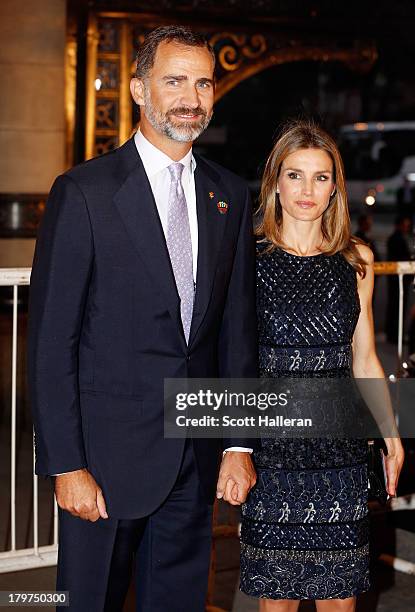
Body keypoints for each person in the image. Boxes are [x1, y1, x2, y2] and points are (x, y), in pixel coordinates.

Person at [28, 26, 257, 612]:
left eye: (203, 83)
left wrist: (236, 444)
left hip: (194, 453)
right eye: (174, 80)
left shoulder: (228, 195)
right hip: (103, 462)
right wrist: (66, 463)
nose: (191, 97)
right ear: (138, 88)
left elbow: (234, 332)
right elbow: (52, 341)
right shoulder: (84, 192)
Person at [239, 120, 404, 611]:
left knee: (340, 601)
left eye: (321, 177)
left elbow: (365, 357)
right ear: (275, 182)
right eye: (295, 175)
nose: (307, 190)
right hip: (272, 452)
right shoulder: (246, 259)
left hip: (341, 453)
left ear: (335, 188)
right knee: (278, 602)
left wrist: (391, 435)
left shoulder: (357, 260)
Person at [385, 214, 412, 343]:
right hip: (397, 279)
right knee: (397, 307)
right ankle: (394, 335)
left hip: (398, 279)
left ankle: (394, 334)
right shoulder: (396, 239)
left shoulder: (399, 238)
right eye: (405, 225)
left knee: (397, 307)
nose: (406, 228)